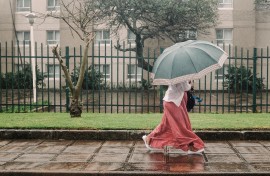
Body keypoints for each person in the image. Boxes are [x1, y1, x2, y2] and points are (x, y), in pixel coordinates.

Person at [142, 81, 204, 154]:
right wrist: (190, 85)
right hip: (173, 103)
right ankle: (190, 146)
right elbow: (185, 87)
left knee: (165, 125)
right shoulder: (180, 75)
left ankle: (148, 138)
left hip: (173, 102)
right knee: (181, 126)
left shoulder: (179, 76)